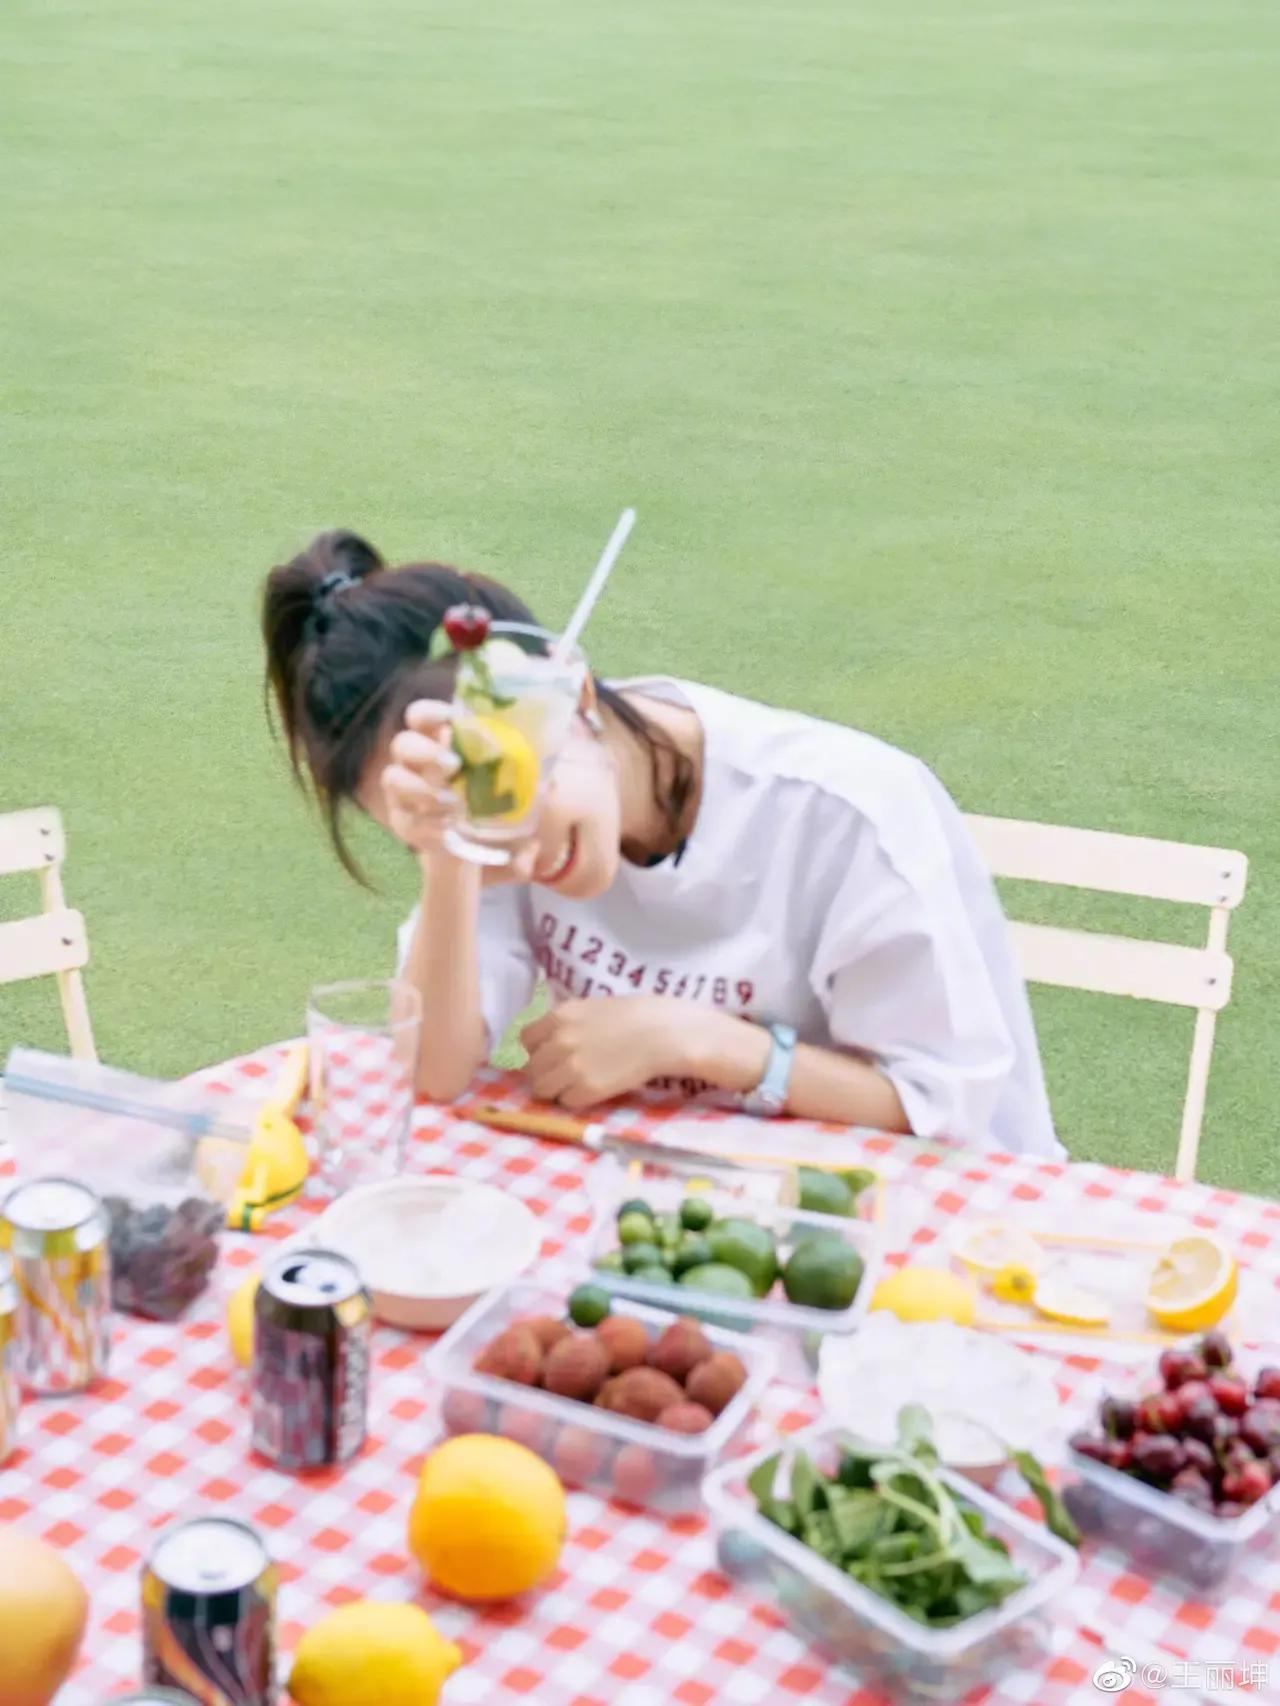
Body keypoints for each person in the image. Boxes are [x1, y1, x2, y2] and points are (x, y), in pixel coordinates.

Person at [263, 529, 1060, 1156]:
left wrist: (701, 1040)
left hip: (926, 1231)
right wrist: (446, 857)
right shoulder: (487, 831)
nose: (521, 858)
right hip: (680, 1206)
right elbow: (433, 1070)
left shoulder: (844, 812)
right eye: (449, 815)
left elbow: (948, 1116)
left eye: (504, 793)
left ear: (571, 690)